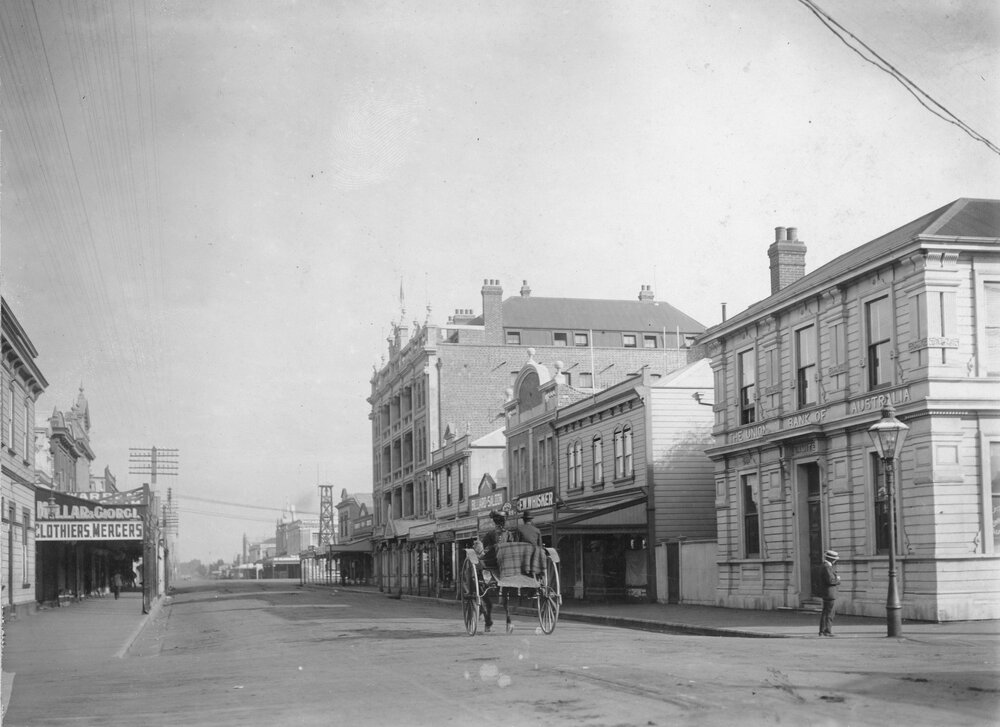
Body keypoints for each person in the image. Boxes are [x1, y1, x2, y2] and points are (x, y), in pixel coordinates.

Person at [477, 511, 507, 632]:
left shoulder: (490, 534)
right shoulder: (509, 534)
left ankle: (486, 618)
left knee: (480, 573)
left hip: (492, 566)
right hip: (508, 565)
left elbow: (484, 551)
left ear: (494, 522)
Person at [819, 549, 841, 637]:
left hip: (827, 593)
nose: (836, 561)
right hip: (830, 593)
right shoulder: (827, 567)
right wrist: (837, 579)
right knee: (830, 613)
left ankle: (822, 630)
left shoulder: (824, 566)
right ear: (832, 559)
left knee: (826, 612)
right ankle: (827, 630)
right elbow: (830, 580)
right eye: (835, 559)